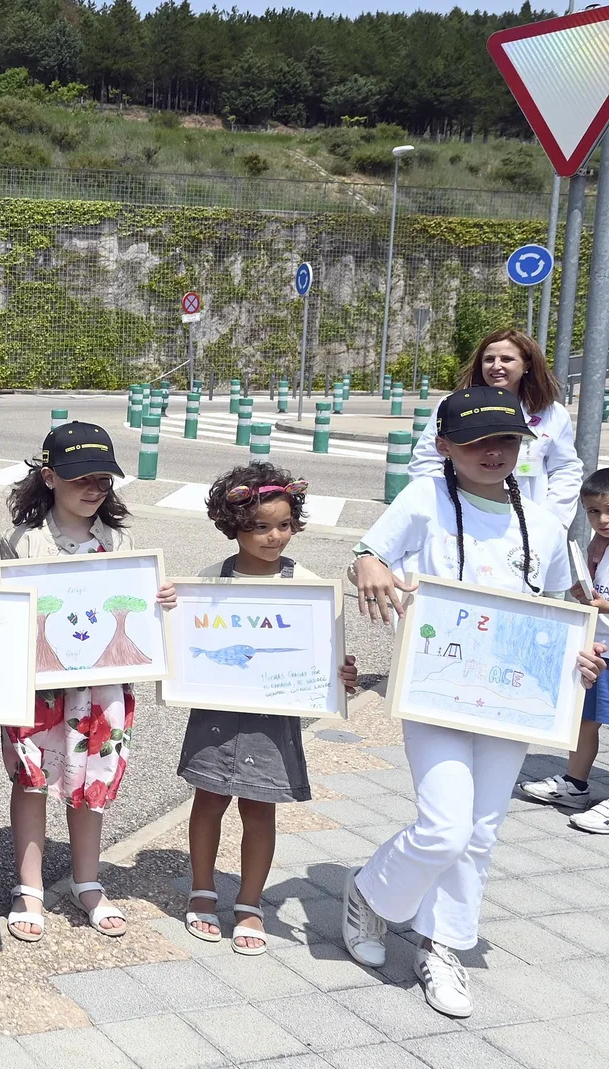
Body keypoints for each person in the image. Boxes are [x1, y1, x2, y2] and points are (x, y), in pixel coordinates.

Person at [345, 386, 605, 1019]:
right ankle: (370, 896)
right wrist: (369, 564)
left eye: (507, 440)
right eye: (477, 442)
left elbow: (557, 613)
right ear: (444, 447)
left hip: (510, 701)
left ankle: (443, 944)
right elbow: (370, 552)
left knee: (481, 830)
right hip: (435, 690)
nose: (493, 452)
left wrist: (580, 653)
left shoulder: (543, 524)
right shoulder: (424, 499)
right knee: (443, 826)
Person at [0, 422, 175, 941]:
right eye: (81, 479)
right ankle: (28, 886)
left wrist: (160, 602)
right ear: (50, 478)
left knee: (90, 783)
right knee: (31, 779)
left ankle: (87, 881)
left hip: (102, 689)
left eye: (103, 478)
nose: (94, 488)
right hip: (38, 687)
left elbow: (141, 610)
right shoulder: (24, 543)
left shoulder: (120, 541)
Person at [176, 462, 358, 954]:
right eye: (259, 526)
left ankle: (251, 903)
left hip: (274, 717)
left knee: (260, 807)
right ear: (232, 526)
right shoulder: (210, 580)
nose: (274, 535)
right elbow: (186, 634)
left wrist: (341, 677)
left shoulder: (310, 584)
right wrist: (171, 608)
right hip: (216, 711)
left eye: (283, 524)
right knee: (208, 799)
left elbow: (325, 651)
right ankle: (202, 891)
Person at [407, 328, 581, 523]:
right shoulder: (453, 405)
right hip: (463, 517)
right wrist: (444, 507)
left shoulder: (552, 413)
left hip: (528, 522)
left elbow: (565, 469)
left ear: (527, 365)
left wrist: (551, 520)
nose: (496, 366)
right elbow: (426, 461)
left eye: (507, 359)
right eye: (489, 359)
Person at [527, 468, 609, 831]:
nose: (602, 520)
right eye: (593, 511)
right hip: (597, 646)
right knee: (584, 717)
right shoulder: (595, 546)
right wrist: (585, 596)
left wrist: (600, 606)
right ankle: (575, 785)